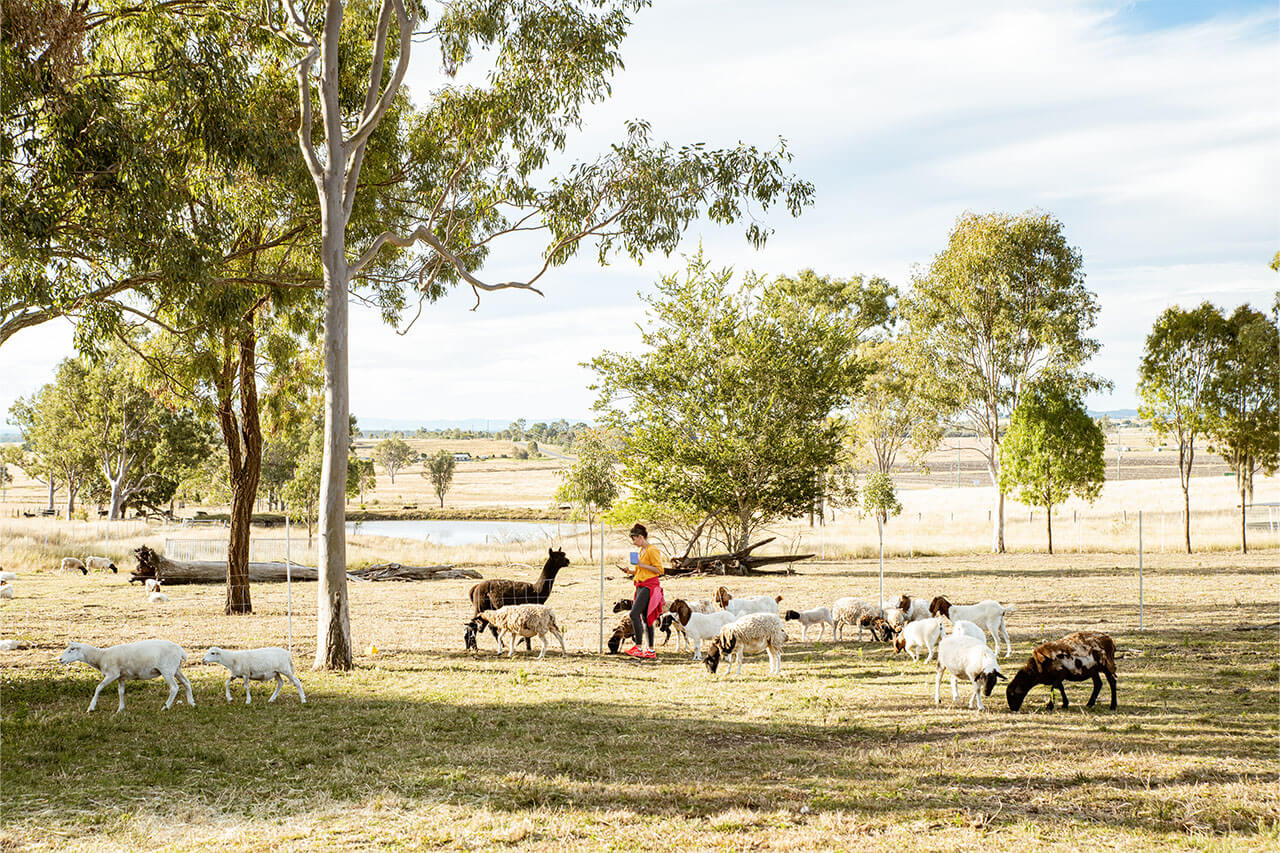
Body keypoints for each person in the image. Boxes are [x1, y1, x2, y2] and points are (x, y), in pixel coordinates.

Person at [622, 523, 665, 659]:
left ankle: (639, 647)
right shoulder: (642, 550)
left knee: (634, 614)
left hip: (649, 586)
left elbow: (659, 570)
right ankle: (650, 650)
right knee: (646, 618)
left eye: (634, 539)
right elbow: (644, 570)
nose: (634, 542)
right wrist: (632, 571)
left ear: (640, 537)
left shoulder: (652, 550)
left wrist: (640, 564)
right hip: (640, 584)